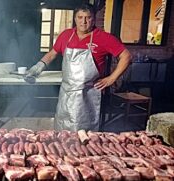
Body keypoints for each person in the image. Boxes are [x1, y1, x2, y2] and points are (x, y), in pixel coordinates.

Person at [24, 3, 131, 131]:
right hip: (66, 94)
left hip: (87, 95)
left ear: (94, 19)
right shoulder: (66, 35)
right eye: (80, 17)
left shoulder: (104, 38)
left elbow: (126, 56)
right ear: (75, 19)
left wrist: (112, 78)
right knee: (62, 131)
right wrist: (38, 67)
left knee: (85, 134)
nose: (84, 22)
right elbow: (52, 53)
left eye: (88, 17)